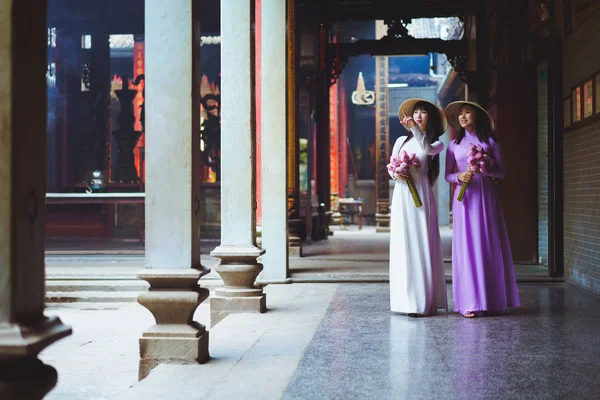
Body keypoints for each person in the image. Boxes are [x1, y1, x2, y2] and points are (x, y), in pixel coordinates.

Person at [444, 101, 520, 318]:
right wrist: (459, 177)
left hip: (486, 199)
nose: (463, 116)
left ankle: (491, 300)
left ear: (477, 116)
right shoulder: (453, 145)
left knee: (486, 244)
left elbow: (502, 172)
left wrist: (485, 171)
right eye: (460, 114)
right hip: (464, 200)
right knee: (466, 248)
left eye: (467, 112)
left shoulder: (490, 142)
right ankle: (469, 302)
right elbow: (447, 175)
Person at [389, 99, 448, 316]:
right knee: (402, 243)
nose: (419, 115)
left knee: (420, 241)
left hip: (421, 194)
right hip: (402, 194)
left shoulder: (436, 144)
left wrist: (414, 129)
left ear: (430, 118)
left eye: (423, 113)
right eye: (416, 112)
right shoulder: (400, 141)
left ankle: (422, 301)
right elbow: (391, 166)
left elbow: (425, 148)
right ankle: (403, 301)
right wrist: (397, 173)